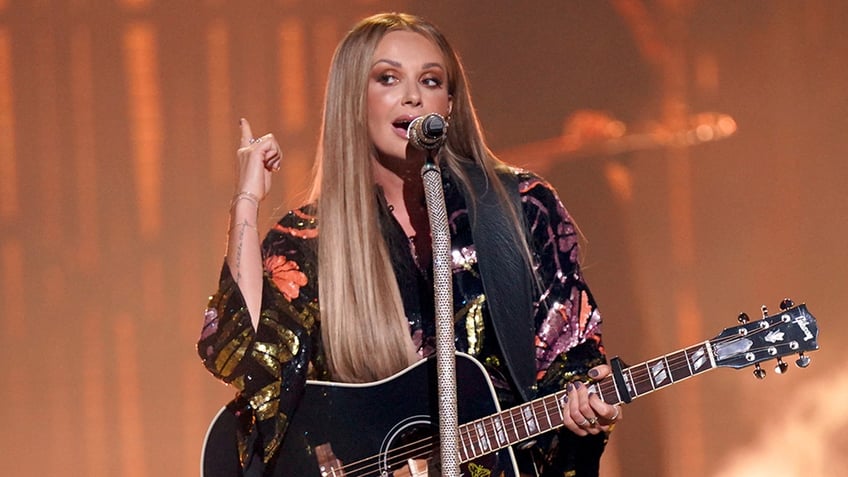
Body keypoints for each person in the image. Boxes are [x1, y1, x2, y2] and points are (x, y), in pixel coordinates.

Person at [198, 12, 621, 477]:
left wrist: (585, 400)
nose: (414, 96)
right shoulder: (310, 240)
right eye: (388, 78)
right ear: (352, 102)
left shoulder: (521, 208)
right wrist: (246, 200)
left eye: (431, 80)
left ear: (451, 105)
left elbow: (568, 353)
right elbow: (245, 359)